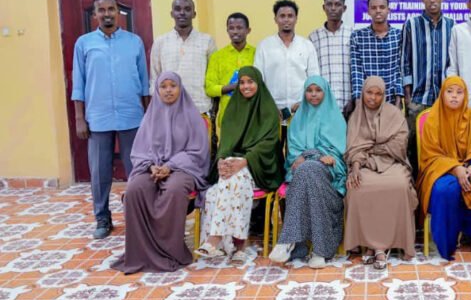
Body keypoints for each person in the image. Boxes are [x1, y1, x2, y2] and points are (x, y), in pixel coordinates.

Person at [112, 72, 210, 273]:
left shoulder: (192, 116)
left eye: (172, 85)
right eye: (163, 86)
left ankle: (170, 252)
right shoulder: (150, 116)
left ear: (180, 88)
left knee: (174, 189)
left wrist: (170, 166)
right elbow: (140, 150)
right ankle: (141, 252)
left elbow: (198, 151)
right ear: (157, 90)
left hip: (183, 168)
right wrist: (150, 166)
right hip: (152, 167)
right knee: (135, 190)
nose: (168, 90)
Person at [72, 0, 150, 239]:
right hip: (98, 117)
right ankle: (102, 218)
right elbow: (78, 83)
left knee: (136, 169)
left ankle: (139, 216)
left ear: (118, 12)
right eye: (101, 10)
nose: (107, 14)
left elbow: (144, 82)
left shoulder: (134, 42)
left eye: (111, 9)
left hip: (131, 114)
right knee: (99, 171)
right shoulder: (84, 43)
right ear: (95, 14)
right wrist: (79, 118)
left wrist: (148, 116)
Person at [197, 66, 283, 266]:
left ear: (258, 83)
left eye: (250, 82)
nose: (245, 86)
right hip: (233, 165)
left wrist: (245, 161)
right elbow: (225, 142)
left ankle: (217, 239)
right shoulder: (232, 108)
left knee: (235, 181)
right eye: (242, 82)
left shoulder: (268, 108)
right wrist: (221, 161)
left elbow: (269, 144)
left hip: (259, 166)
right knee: (214, 192)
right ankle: (236, 247)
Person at [418, 76, 471, 260]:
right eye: (450, 92)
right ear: (442, 94)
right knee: (445, 189)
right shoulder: (433, 118)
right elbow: (431, 155)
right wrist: (455, 168)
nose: (454, 97)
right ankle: (447, 244)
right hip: (442, 169)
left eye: (459, 92)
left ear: (465, 95)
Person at [269, 76, 347, 269]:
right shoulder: (297, 120)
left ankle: (288, 241)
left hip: (328, 174)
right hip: (306, 172)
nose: (313, 94)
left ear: (325, 92)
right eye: (309, 90)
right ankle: (321, 250)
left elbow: (338, 153)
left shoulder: (336, 118)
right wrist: (315, 156)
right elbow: (294, 156)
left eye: (318, 90)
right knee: (307, 171)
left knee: (308, 169)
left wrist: (314, 155)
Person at [344, 76, 418, 268]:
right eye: (369, 92)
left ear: (384, 95)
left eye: (378, 94)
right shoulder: (356, 116)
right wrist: (356, 168)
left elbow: (399, 145)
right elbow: (354, 149)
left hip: (393, 163)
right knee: (358, 186)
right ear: (363, 93)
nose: (373, 98)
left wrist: (371, 149)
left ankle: (379, 247)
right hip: (365, 165)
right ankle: (371, 245)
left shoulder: (394, 114)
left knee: (399, 185)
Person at [401, 0, 455, 170]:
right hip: (417, 100)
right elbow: (404, 61)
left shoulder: (452, 26)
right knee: (414, 148)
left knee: (443, 146)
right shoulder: (411, 25)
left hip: (444, 101)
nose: (432, 0)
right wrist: (408, 99)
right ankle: (415, 192)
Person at [255, 0, 320, 128]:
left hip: (301, 112)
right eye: (282, 16)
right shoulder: (264, 46)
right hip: (272, 112)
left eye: (290, 16)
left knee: (298, 148)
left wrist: (304, 103)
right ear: (275, 19)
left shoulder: (307, 45)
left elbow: (314, 79)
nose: (286, 20)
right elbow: (258, 80)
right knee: (272, 148)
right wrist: (269, 105)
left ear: (296, 19)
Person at [150, 0, 216, 116]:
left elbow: (213, 77)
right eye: (177, 9)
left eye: (187, 9)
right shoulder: (161, 41)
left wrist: (214, 111)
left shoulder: (207, 40)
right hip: (169, 109)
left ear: (194, 14)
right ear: (172, 13)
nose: (182, 13)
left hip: (200, 108)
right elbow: (155, 77)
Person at [350, 0, 403, 108]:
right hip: (367, 102)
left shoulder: (399, 36)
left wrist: (399, 99)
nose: (378, 11)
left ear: (388, 10)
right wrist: (358, 102)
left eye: (382, 7)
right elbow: (357, 72)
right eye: (374, 8)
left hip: (391, 101)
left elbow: (400, 70)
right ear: (368, 11)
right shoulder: (358, 37)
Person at [204, 12, 255, 130]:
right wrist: (233, 87)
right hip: (228, 117)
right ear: (227, 30)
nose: (235, 32)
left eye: (239, 28)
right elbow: (210, 88)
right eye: (231, 28)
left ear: (248, 30)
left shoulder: (256, 54)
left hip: (253, 116)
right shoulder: (217, 57)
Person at [309, 0, 353, 114]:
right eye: (329, 4)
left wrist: (353, 99)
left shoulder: (353, 35)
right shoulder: (313, 37)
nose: (333, 8)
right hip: (322, 105)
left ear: (344, 8)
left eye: (337, 4)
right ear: (324, 7)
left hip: (349, 105)